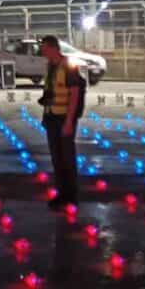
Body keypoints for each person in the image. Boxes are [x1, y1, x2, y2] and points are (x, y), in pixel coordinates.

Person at [37, 35, 86, 210]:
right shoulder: (50, 66)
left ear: (52, 48)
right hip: (51, 117)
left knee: (67, 158)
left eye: (43, 47)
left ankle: (71, 196)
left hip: (64, 118)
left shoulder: (68, 65)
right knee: (57, 158)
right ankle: (61, 194)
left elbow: (74, 94)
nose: (42, 51)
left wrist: (69, 121)